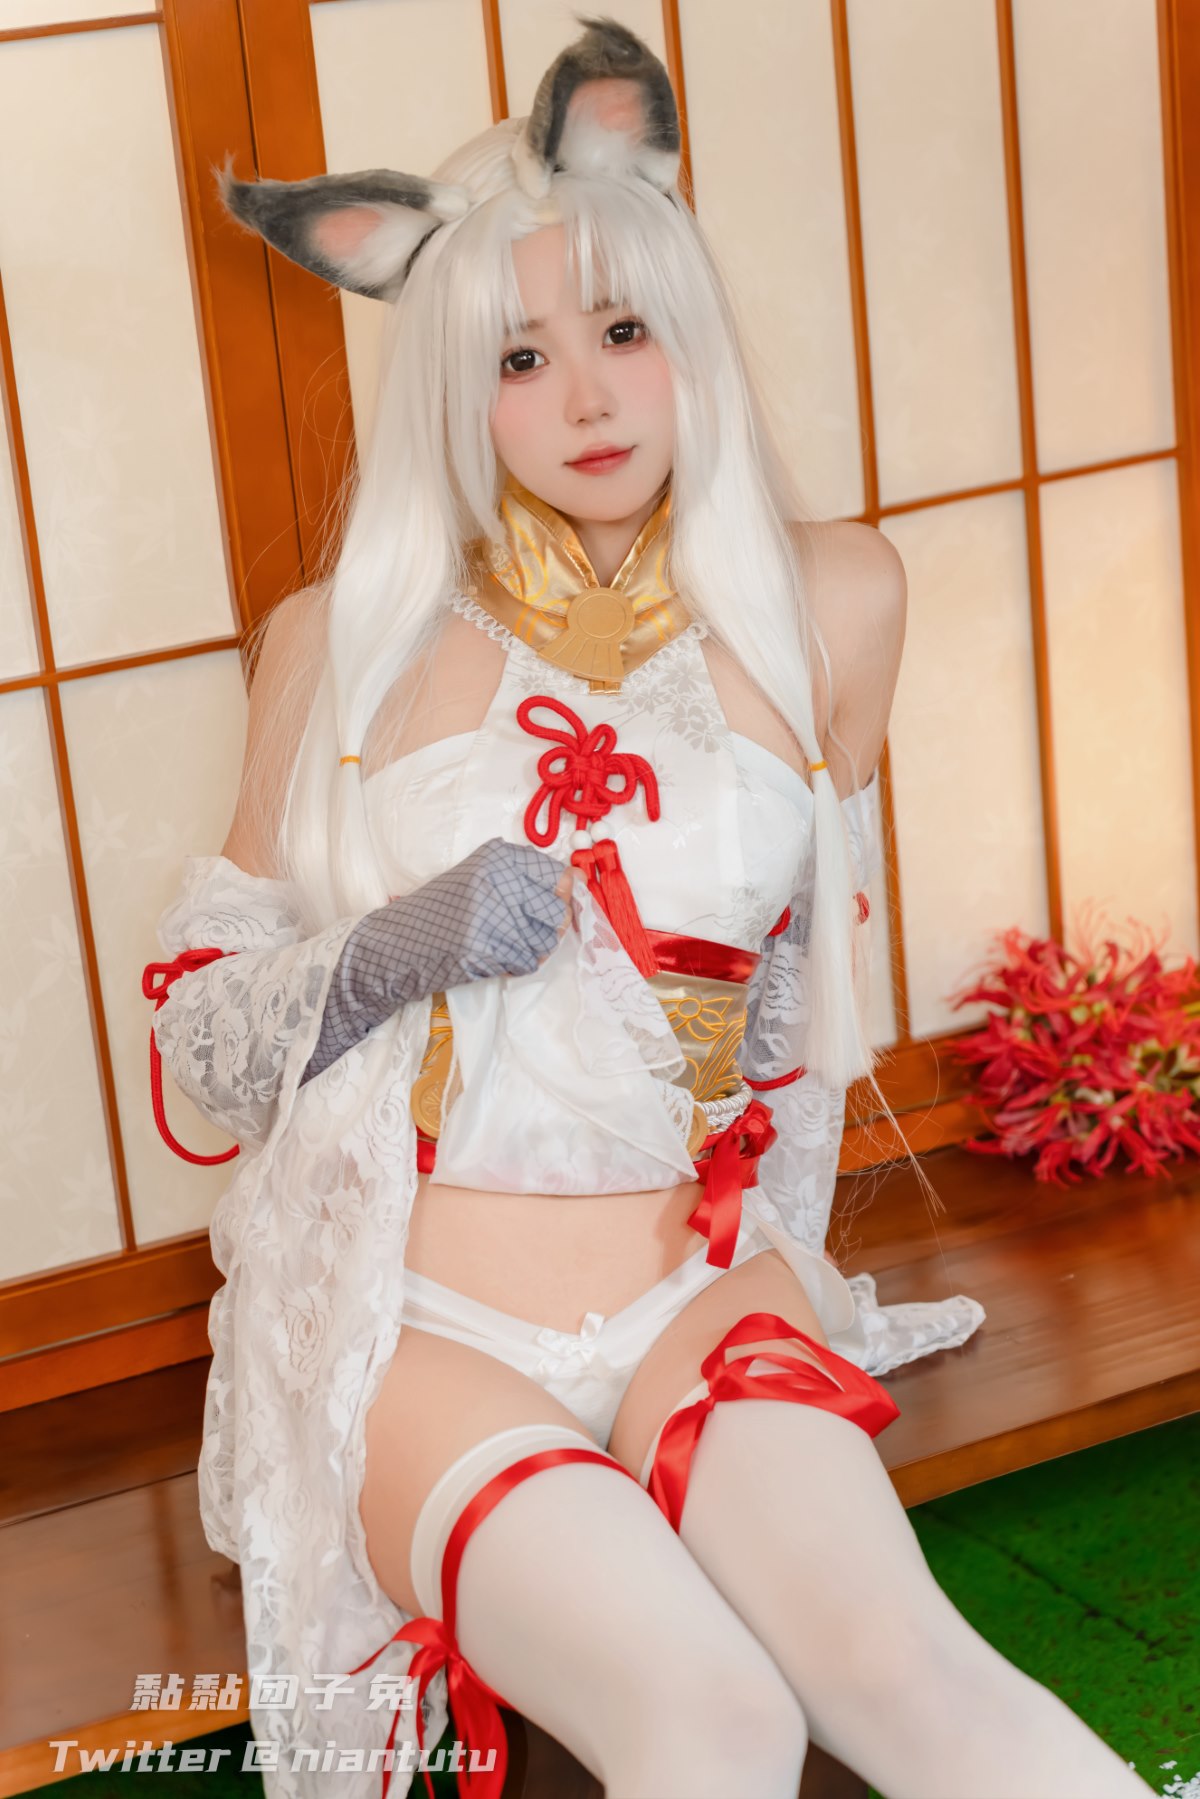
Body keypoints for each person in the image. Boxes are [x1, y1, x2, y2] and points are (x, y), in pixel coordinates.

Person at [146, 15, 1153, 1798]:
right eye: (518, 358)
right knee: (713, 1717)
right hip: (416, 1325)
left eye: (622, 333)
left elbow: (790, 1013)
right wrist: (403, 940)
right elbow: (206, 1056)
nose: (589, 402)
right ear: (451, 387)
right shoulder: (337, 645)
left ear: (691, 328)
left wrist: (732, 1149)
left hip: (696, 1288)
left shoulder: (834, 603)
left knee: (913, 1668)